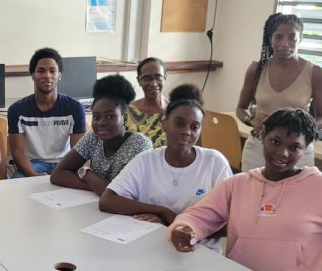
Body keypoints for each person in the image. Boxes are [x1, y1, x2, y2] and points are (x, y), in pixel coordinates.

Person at [169, 108, 322, 271]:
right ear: (262, 137)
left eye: (295, 147)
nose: (283, 153)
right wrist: (185, 227)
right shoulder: (238, 184)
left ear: (306, 148)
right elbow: (200, 214)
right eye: (275, 142)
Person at [99, 84, 232, 242]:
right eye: (179, 123)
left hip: (199, 246)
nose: (186, 131)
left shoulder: (214, 162)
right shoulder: (146, 160)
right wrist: (160, 211)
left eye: (194, 127)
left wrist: (177, 225)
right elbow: (107, 200)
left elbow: (232, 219)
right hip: (153, 242)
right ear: (164, 124)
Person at [236, 13, 322, 171]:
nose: (285, 43)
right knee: (253, 187)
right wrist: (251, 120)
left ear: (300, 39)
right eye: (278, 37)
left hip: (297, 149)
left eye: (292, 37)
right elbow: (241, 108)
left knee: (298, 188)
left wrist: (302, 129)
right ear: (270, 39)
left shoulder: (316, 72)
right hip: (259, 148)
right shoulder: (256, 69)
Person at [50, 74, 152, 196]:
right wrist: (95, 187)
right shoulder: (93, 138)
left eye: (109, 116)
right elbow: (57, 174)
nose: (101, 123)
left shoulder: (139, 144)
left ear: (124, 118)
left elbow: (122, 193)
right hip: (98, 203)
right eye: (96, 117)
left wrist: (86, 173)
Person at [7, 47, 86, 177]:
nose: (47, 76)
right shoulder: (17, 110)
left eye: (52, 71)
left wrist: (64, 173)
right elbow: (18, 152)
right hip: (33, 164)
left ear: (59, 75)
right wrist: (32, 175)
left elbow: (78, 151)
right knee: (16, 183)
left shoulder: (75, 108)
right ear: (33, 75)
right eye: (41, 71)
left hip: (64, 163)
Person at [126, 57, 168, 147]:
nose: (153, 84)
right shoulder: (127, 112)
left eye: (158, 77)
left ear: (165, 78)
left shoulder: (174, 112)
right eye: (147, 78)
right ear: (139, 81)